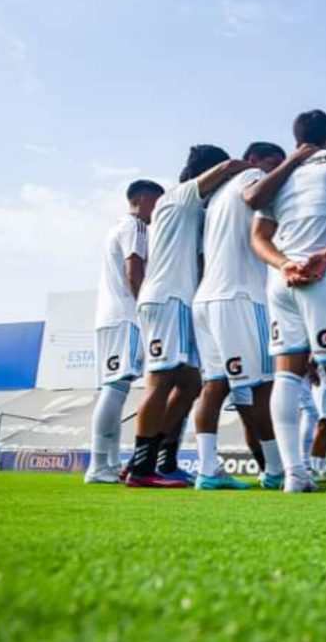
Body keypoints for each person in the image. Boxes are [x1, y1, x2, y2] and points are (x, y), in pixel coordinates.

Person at [249, 110, 326, 493]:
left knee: (287, 375)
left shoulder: (281, 175)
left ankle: (294, 475)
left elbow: (258, 237)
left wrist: (284, 264)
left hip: (282, 281)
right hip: (325, 278)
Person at [128, 147, 248, 488]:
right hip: (169, 299)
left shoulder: (193, 212)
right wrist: (255, 171)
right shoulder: (179, 196)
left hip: (177, 301)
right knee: (161, 381)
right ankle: (141, 469)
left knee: (190, 384)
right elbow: (228, 165)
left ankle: (162, 461)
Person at [191, 142, 287, 491]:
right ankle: (275, 471)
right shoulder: (252, 176)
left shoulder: (216, 197)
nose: (278, 172)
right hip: (240, 297)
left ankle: (207, 469)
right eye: (274, 164)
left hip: (207, 299)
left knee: (214, 386)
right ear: (254, 161)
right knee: (263, 385)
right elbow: (256, 195)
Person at [85, 179, 164, 484]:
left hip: (109, 317)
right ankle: (98, 465)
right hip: (126, 316)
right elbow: (134, 270)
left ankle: (107, 463)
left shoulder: (116, 227)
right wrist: (145, 309)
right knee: (115, 389)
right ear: (143, 199)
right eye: (156, 203)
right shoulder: (136, 227)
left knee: (115, 389)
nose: (157, 211)